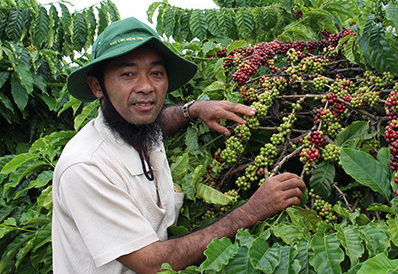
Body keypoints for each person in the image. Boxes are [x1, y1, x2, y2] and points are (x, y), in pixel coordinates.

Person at [52, 17, 306, 274]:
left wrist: (194, 109)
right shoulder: (85, 166)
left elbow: (156, 121)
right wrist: (252, 211)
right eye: (128, 74)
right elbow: (152, 264)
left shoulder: (137, 129)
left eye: (156, 73)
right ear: (98, 86)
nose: (146, 87)